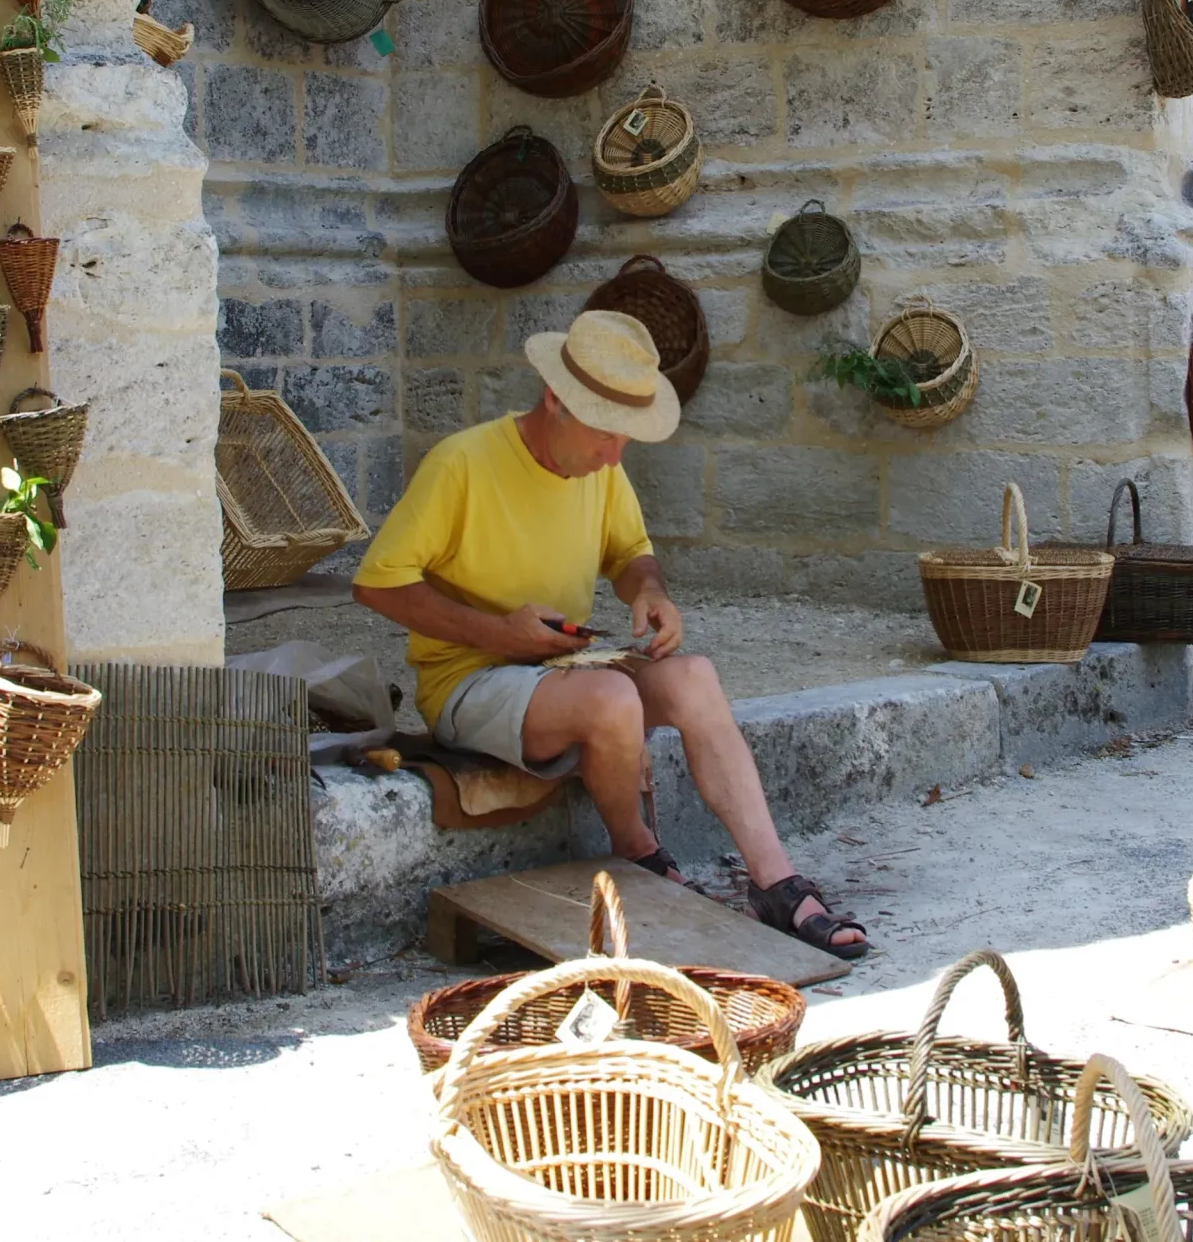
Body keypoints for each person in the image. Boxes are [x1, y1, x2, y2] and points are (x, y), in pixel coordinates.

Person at [351, 310, 869, 961]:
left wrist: (650, 593)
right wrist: (498, 633)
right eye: (605, 435)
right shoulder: (461, 463)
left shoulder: (602, 467)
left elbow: (631, 553)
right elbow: (376, 584)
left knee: (694, 677)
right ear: (555, 401)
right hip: (470, 680)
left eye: (627, 438)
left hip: (562, 671)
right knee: (612, 699)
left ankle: (777, 882)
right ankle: (637, 850)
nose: (615, 455)